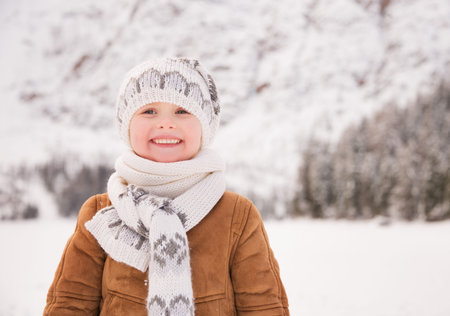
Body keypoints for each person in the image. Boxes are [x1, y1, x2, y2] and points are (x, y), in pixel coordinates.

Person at [43, 57, 289, 315]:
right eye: (149, 111)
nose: (166, 123)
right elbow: (69, 304)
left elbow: (264, 306)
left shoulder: (237, 216)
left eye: (182, 111)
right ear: (126, 126)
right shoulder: (100, 212)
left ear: (204, 128)